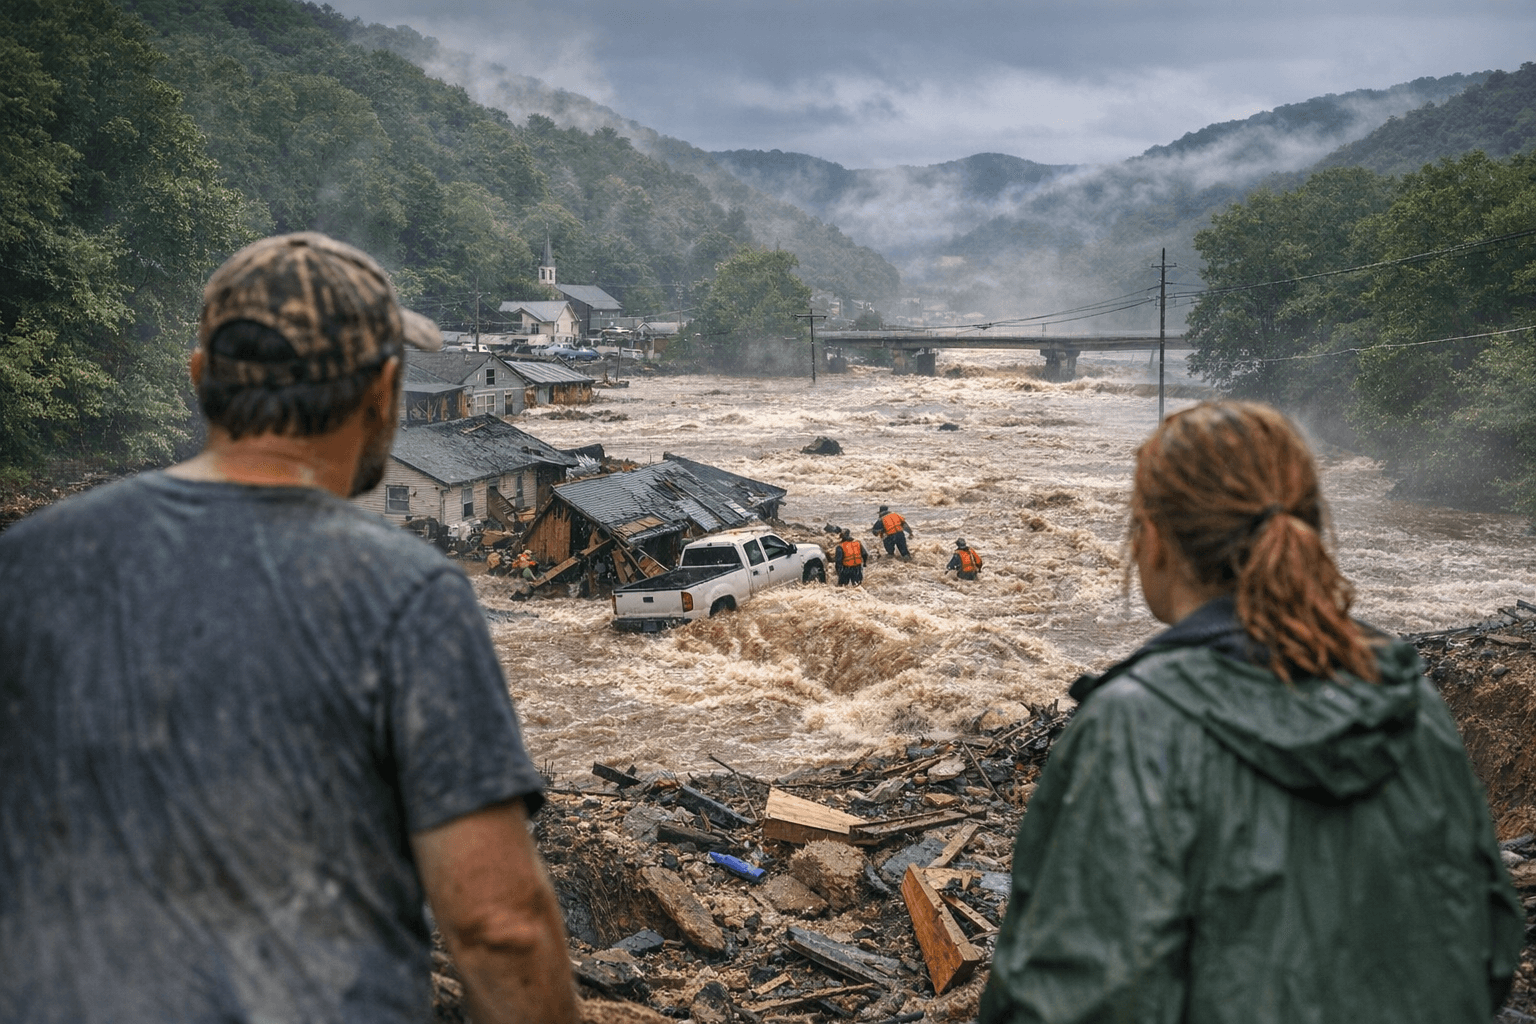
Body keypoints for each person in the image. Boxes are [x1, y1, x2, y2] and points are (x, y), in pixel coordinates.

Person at [0, 232, 577, 1024]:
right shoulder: (406, 595)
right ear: (384, 391)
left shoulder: (27, 563)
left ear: (201, 379)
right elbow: (497, 926)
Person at [979, 401, 1521, 1024]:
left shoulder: (1136, 723)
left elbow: (1067, 999)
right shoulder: (1403, 692)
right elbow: (1490, 944)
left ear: (1153, 541)